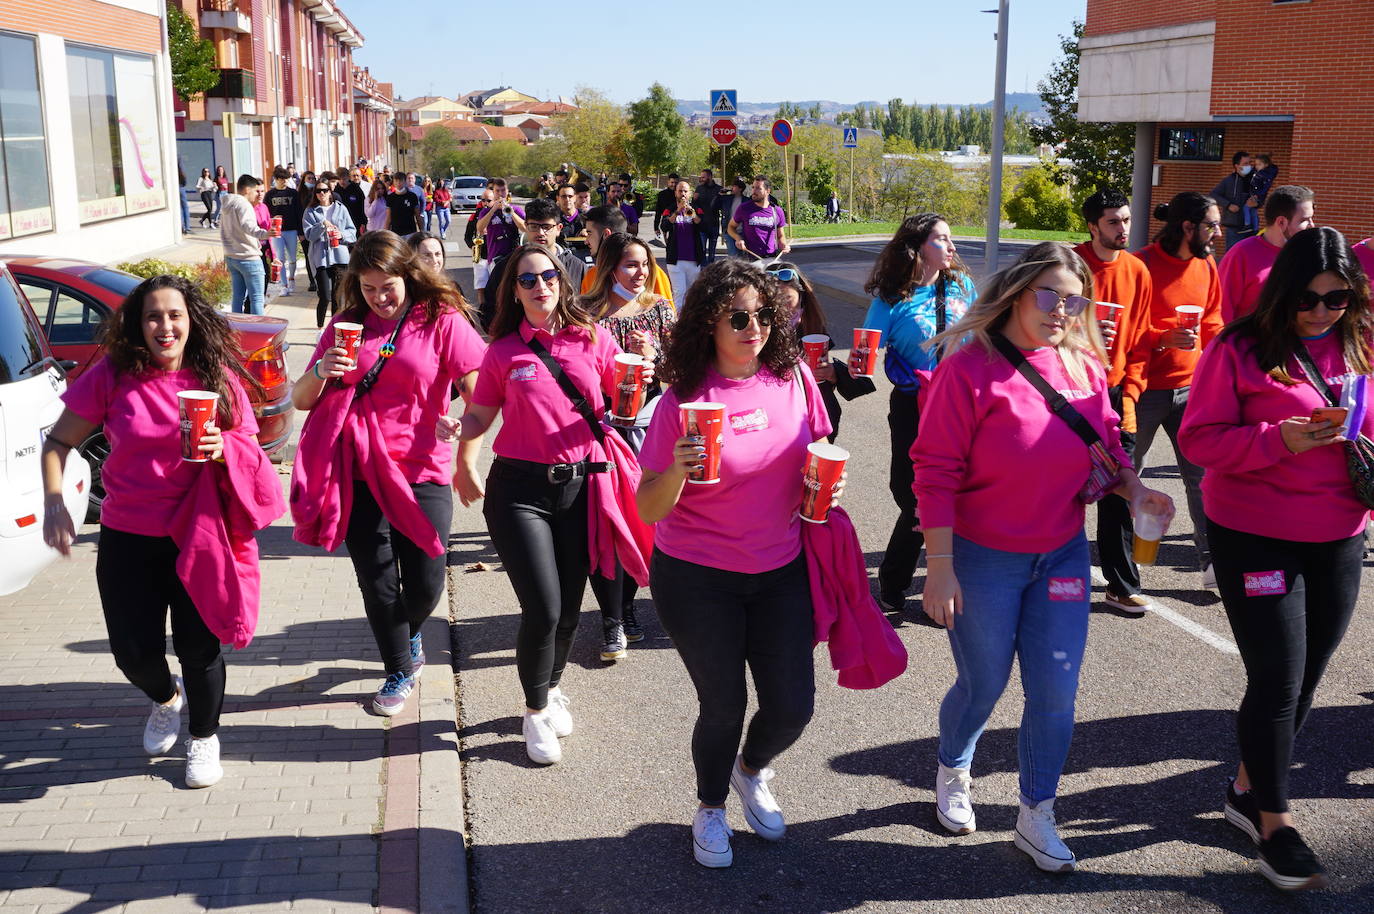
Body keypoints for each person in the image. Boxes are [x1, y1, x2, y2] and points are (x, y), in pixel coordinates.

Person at [915, 242, 1174, 873]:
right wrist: (940, 565)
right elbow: (934, 470)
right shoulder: (969, 367)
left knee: (1056, 693)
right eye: (1050, 293)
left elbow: (1106, 450)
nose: (1062, 309)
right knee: (984, 685)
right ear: (1017, 290)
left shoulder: (1084, 364)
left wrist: (1137, 489)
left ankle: (1036, 814)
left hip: (1059, 556)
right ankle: (954, 765)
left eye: (1073, 297)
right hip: (982, 559)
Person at [1179, 226, 1371, 892]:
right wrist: (1278, 438)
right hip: (1254, 533)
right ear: (1282, 290)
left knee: (1310, 677)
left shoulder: (1361, 344)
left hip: (1341, 533)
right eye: (1308, 298)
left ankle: (1242, 789)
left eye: (1337, 298)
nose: (1320, 311)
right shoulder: (1239, 347)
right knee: (1278, 680)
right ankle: (1275, 826)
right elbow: (1199, 438)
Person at [40, 274, 285, 789]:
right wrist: (55, 502)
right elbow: (58, 443)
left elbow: (251, 449)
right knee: (132, 651)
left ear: (191, 320)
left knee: (199, 647)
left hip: (199, 531)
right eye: (153, 316)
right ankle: (165, 698)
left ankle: (204, 737)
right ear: (138, 324)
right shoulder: (113, 375)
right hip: (128, 535)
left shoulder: (215, 376)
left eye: (174, 315)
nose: (165, 326)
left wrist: (227, 449)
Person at [637, 258, 835, 868]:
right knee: (722, 706)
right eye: (738, 317)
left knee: (792, 706)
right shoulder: (682, 400)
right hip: (698, 576)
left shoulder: (794, 378)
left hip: (779, 569)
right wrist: (676, 469)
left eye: (763, 315)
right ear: (709, 326)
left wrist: (826, 481)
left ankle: (752, 769)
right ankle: (710, 808)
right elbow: (647, 507)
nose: (755, 328)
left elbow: (819, 446)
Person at [446, 244, 650, 765]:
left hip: (584, 486)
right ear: (514, 291)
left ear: (562, 280)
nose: (541, 286)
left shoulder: (593, 338)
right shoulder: (503, 352)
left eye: (549, 276)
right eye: (528, 280)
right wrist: (457, 444)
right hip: (519, 492)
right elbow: (480, 417)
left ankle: (552, 685)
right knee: (543, 607)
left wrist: (641, 377)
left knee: (568, 610)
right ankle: (535, 710)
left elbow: (620, 401)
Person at [291, 231, 487, 718]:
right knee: (377, 581)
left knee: (425, 582)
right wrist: (322, 371)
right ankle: (399, 667)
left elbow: (479, 387)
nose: (379, 297)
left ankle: (411, 632)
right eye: (369, 287)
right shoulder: (345, 325)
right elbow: (300, 399)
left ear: (409, 275)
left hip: (422, 469)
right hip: (358, 471)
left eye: (388, 285)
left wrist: (463, 424)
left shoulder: (440, 320)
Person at [862, 214, 976, 612]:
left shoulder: (961, 285)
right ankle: (894, 584)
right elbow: (864, 357)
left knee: (965, 491)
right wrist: (836, 371)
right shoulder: (891, 300)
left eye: (950, 238)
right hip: (913, 405)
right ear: (917, 247)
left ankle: (956, 584)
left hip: (964, 403)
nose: (952, 247)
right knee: (913, 496)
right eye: (942, 239)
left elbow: (987, 336)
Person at [580, 232, 676, 658]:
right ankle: (614, 616)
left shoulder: (660, 309)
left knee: (650, 519)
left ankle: (638, 603)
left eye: (644, 265)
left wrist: (654, 356)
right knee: (611, 522)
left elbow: (684, 366)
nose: (639, 274)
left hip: (651, 425)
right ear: (610, 269)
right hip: (605, 428)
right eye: (629, 265)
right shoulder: (587, 312)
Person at [1124, 191, 1224, 589]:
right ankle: (1124, 565)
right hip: (1146, 389)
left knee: (1202, 477)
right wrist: (1163, 338)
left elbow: (1214, 319)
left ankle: (1212, 561)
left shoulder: (1207, 264)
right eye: (1211, 225)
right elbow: (1128, 330)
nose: (1217, 232)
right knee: (1127, 475)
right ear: (1188, 227)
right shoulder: (1142, 264)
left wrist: (1218, 364)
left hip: (1192, 389)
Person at [1073, 188, 1154, 614]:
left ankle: (1121, 585)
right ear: (1092, 226)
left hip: (1116, 394)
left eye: (1125, 219)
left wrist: (1133, 393)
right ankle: (1042, 570)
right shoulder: (1069, 264)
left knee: (1119, 488)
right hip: (1066, 391)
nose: (1123, 228)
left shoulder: (1138, 270)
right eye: (1113, 222)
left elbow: (1139, 341)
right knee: (1060, 487)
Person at [769, 261, 873, 442]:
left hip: (818, 414)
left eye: (786, 299)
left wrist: (833, 373)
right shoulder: (759, 331)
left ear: (801, 295)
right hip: (779, 415)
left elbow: (826, 376)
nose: (781, 306)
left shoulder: (812, 325)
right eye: (773, 300)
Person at [482, 198, 587, 329]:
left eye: (547, 227)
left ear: (559, 228)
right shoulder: (506, 267)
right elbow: (489, 311)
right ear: (526, 227)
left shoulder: (577, 267)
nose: (540, 233)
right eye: (534, 227)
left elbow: (587, 310)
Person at [1219, 185, 1316, 322]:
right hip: (1249, 341)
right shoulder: (1241, 254)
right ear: (1281, 222)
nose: (1312, 225)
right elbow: (1222, 312)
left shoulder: (1307, 255)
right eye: (1304, 220)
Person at [579, 205, 674, 304]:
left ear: (606, 234)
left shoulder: (652, 274)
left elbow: (667, 316)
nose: (586, 241)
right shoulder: (592, 275)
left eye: (589, 233)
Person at [302, 183, 357, 328]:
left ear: (330, 192)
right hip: (320, 258)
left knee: (337, 298)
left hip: (340, 258)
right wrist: (322, 225)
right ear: (315, 194)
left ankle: (334, 329)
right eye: (318, 191)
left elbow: (352, 232)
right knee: (325, 297)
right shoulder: (310, 211)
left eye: (325, 190)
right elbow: (309, 236)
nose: (322, 193)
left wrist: (341, 235)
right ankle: (320, 328)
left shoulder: (341, 208)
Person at [220, 174, 271, 316]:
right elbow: (249, 226)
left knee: (237, 298)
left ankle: (235, 330)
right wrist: (266, 234)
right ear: (248, 190)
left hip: (232, 257)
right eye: (256, 191)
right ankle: (259, 333)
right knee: (257, 299)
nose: (257, 194)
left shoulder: (227, 204)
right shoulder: (244, 204)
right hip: (249, 257)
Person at [658, 178, 707, 301]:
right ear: (675, 193)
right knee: (679, 293)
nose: (683, 194)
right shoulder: (670, 209)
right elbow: (664, 226)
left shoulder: (697, 208)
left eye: (685, 191)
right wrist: (677, 211)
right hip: (675, 259)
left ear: (689, 193)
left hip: (693, 258)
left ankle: (689, 319)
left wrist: (691, 212)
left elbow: (704, 226)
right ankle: (677, 319)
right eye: (680, 191)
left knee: (692, 294)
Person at [728, 177, 789, 261]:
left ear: (768, 191)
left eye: (758, 188)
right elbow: (730, 227)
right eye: (753, 187)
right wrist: (738, 238)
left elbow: (781, 235)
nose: (753, 191)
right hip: (750, 258)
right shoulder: (744, 208)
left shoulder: (777, 211)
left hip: (771, 257)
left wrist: (784, 245)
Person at [265, 166, 303, 296]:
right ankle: (284, 285)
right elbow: (265, 214)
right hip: (277, 232)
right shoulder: (270, 195)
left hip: (291, 229)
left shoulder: (293, 193)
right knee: (280, 259)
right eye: (282, 179)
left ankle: (291, 278)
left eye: (286, 179)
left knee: (292, 258)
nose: (284, 181)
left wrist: (300, 231)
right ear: (276, 179)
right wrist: (272, 219)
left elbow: (299, 212)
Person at [1212, 150, 1255, 253]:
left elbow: (1261, 198)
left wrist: (1257, 203)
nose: (1248, 166)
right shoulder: (1228, 181)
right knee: (1232, 255)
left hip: (1250, 228)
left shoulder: (1253, 181)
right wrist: (1228, 205)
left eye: (1249, 163)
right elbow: (1214, 195)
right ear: (1237, 166)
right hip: (1234, 227)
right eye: (1245, 164)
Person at [1244, 153, 1280, 236]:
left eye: (1259, 164)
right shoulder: (1258, 172)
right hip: (1254, 194)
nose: (1257, 166)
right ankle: (1255, 228)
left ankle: (1247, 225)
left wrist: (1258, 195)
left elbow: (1265, 188)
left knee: (1246, 207)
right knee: (1253, 210)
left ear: (1266, 165)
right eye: (1256, 164)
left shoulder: (1265, 175)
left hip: (1257, 196)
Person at [297, 171, 321, 292]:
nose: (311, 181)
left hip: (317, 229)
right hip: (304, 230)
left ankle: (319, 279)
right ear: (304, 180)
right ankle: (312, 281)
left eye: (313, 179)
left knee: (317, 255)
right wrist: (300, 233)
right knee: (308, 256)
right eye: (309, 178)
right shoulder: (299, 194)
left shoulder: (318, 192)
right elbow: (297, 215)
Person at [693, 169, 723, 262]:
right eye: (700, 177)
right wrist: (696, 205)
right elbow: (693, 204)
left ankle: (712, 271)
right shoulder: (699, 188)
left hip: (714, 224)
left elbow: (722, 206)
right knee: (701, 250)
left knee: (712, 252)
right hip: (702, 224)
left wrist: (720, 196)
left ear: (709, 177)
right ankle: (702, 270)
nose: (701, 179)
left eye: (703, 177)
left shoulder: (719, 189)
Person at [714, 179, 747, 259]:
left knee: (742, 254)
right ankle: (734, 270)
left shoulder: (746, 200)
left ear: (740, 189)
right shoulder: (727, 198)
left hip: (742, 231)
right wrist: (719, 195)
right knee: (733, 254)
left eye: (735, 186)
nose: (732, 188)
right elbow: (714, 206)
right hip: (728, 230)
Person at [335, 169, 368, 246]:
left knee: (356, 244)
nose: (342, 181)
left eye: (344, 179)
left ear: (348, 178)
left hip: (355, 221)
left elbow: (362, 205)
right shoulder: (336, 190)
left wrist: (363, 222)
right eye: (340, 179)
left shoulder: (355, 189)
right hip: (341, 222)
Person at [653, 173, 680, 242]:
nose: (674, 184)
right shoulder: (662, 194)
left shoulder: (681, 194)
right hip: (666, 224)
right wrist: (656, 227)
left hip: (680, 224)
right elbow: (658, 211)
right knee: (668, 247)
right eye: (672, 182)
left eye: (676, 183)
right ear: (668, 182)